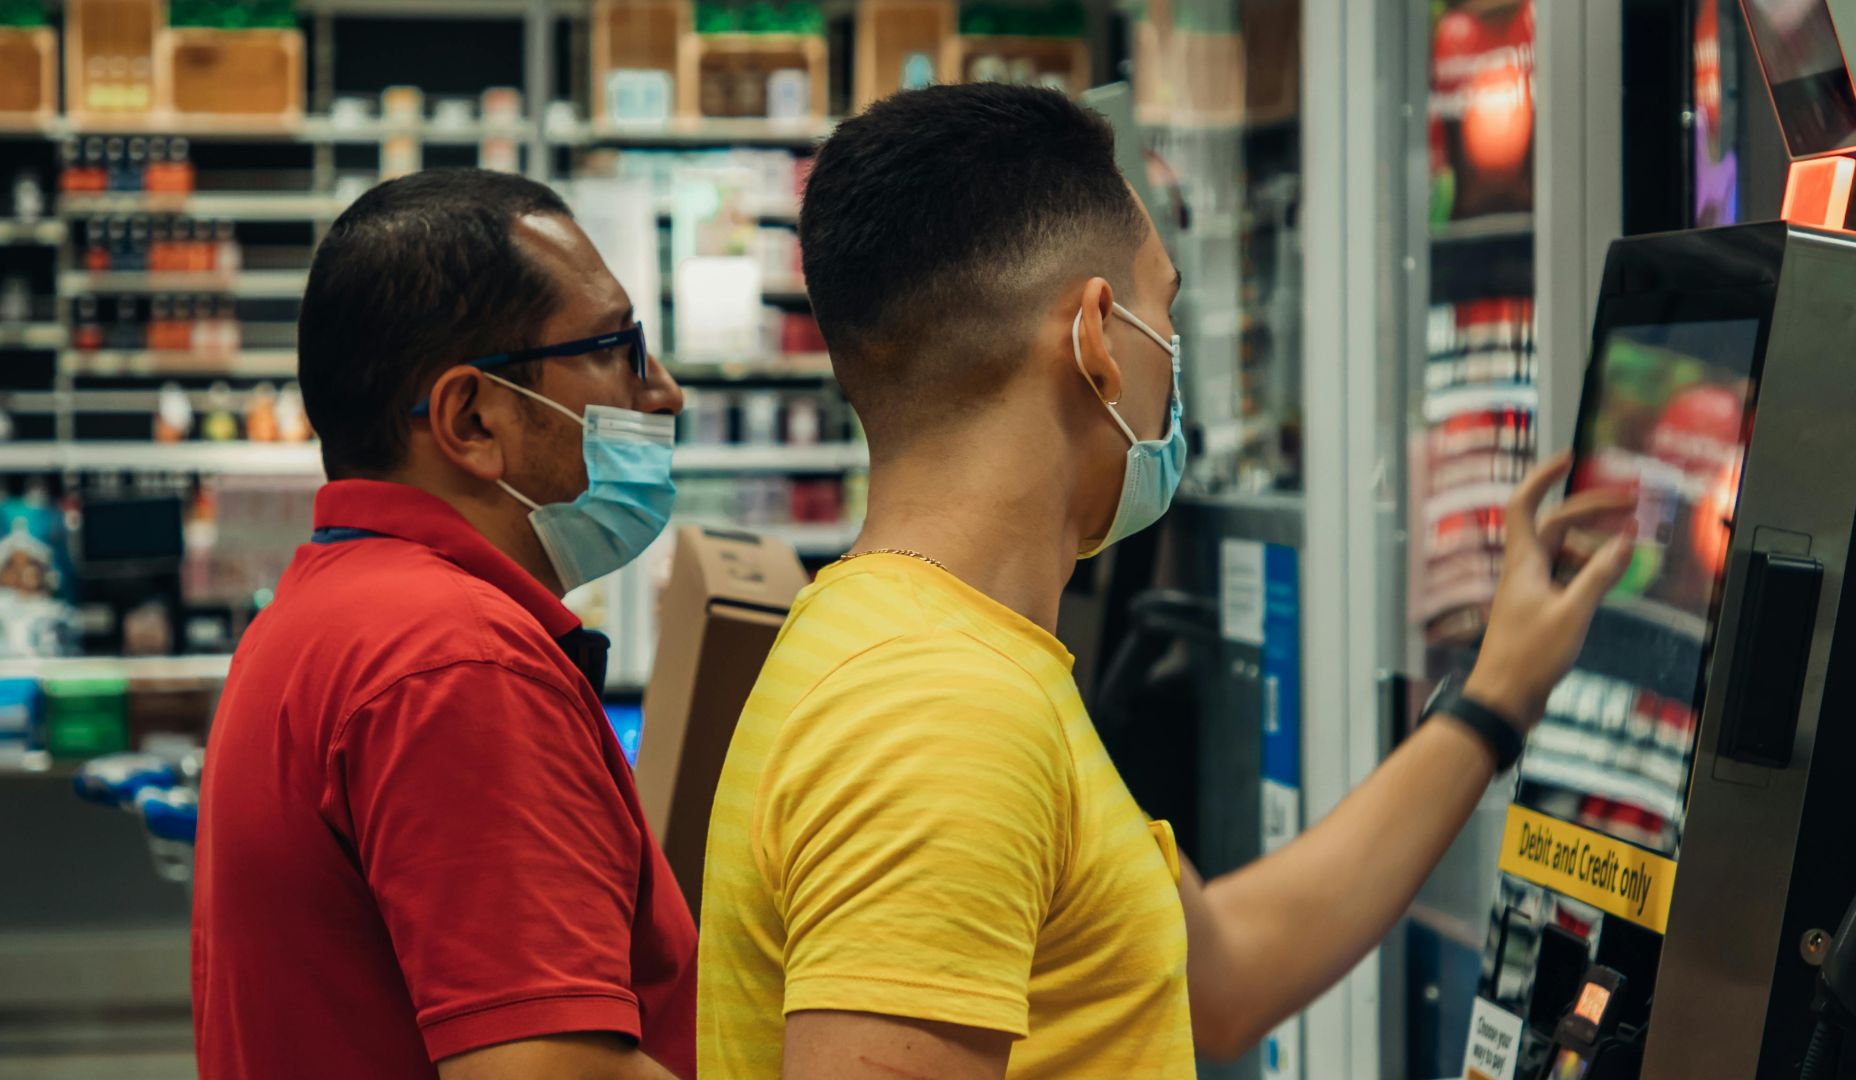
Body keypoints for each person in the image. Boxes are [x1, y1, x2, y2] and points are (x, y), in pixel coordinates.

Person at [697, 84, 1636, 1078]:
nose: (1173, 359)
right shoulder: (943, 709)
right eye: (1166, 307)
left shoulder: (922, 649)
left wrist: (1495, 698)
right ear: (1098, 338)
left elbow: (1224, 975)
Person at [193, 169, 694, 1080]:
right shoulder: (457, 662)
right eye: (621, 347)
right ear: (471, 418)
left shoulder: (332, 610)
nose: (663, 393)